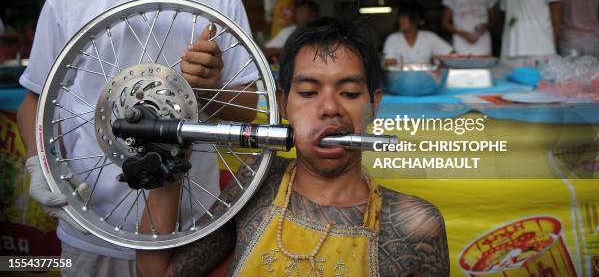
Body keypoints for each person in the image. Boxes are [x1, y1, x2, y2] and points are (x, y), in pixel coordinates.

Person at [16, 0, 258, 275]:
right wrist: (36, 163)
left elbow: (250, 107)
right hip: (89, 229)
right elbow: (35, 102)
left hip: (188, 235)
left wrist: (209, 89)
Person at [137, 17, 450, 276]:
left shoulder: (414, 224)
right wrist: (170, 157)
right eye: (309, 92)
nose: (330, 108)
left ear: (373, 105)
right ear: (283, 104)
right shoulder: (256, 183)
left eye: (350, 93)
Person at [383, 0, 453, 66]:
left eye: (404, 17)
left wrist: (437, 63)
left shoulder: (429, 37)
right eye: (399, 17)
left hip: (426, 77)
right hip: (400, 77)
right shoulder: (393, 39)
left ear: (415, 20)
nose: (400, 21)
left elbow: (451, 56)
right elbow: (389, 63)